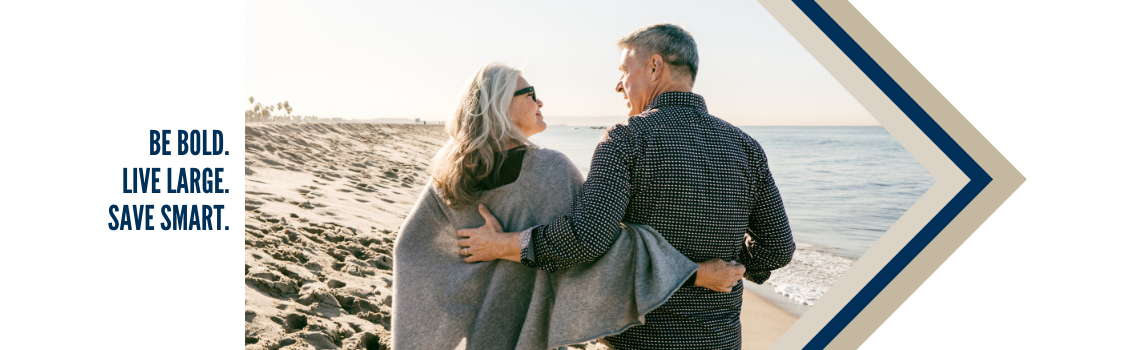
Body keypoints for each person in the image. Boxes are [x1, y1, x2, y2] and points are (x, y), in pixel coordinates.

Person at [458, 24, 796, 350]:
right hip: (719, 339)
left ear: (654, 67)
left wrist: (502, 244)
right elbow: (778, 249)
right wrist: (730, 268)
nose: (619, 85)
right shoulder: (746, 147)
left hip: (640, 340)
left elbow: (585, 239)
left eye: (624, 70)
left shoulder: (627, 139)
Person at [391, 62, 723, 350]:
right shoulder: (550, 169)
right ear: (500, 105)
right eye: (529, 93)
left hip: (477, 336)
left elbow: (410, 250)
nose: (540, 101)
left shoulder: (450, 176)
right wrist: (691, 273)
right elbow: (599, 246)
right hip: (528, 336)